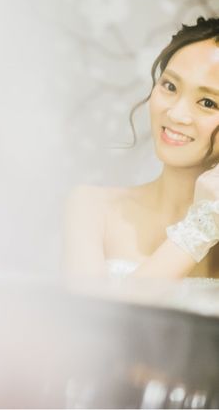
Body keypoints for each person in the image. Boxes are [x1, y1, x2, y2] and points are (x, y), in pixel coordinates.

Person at [62, 16, 219, 281]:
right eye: (170, 86)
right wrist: (200, 228)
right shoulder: (93, 207)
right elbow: (98, 309)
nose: (176, 114)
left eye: (207, 102)